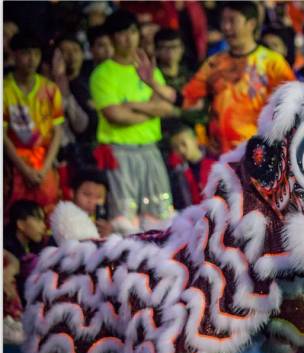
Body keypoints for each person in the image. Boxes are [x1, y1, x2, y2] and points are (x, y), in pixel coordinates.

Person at [158, 1, 295, 153]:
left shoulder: (273, 63)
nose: (226, 27)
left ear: (251, 24)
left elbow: (292, 106)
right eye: (223, 21)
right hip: (222, 157)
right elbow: (185, 99)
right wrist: (153, 83)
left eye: (232, 21)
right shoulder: (214, 63)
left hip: (261, 155)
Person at [89, 9, 175, 233]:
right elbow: (115, 116)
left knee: (160, 216)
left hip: (150, 150)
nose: (129, 38)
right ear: (111, 38)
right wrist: (150, 110)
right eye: (122, 33)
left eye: (133, 32)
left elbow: (166, 107)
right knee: (123, 219)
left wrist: (131, 105)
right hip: (120, 153)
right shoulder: (102, 74)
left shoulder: (146, 69)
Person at [3, 33, 64, 215]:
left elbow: (57, 132)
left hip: (44, 164)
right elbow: (3, 135)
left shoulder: (51, 89)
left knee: (47, 213)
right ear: (13, 55)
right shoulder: (4, 90)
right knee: (15, 214)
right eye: (26, 53)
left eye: (36, 54)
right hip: (14, 165)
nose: (32, 60)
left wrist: (45, 169)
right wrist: (24, 169)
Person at [167, 125, 217, 209]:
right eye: (176, 147)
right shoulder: (178, 173)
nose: (181, 150)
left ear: (195, 140)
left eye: (184, 144)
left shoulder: (215, 163)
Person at [69, 168, 112, 238]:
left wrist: (106, 236)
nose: (92, 201)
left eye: (99, 197)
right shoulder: (65, 220)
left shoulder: (101, 224)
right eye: (86, 194)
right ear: (72, 193)